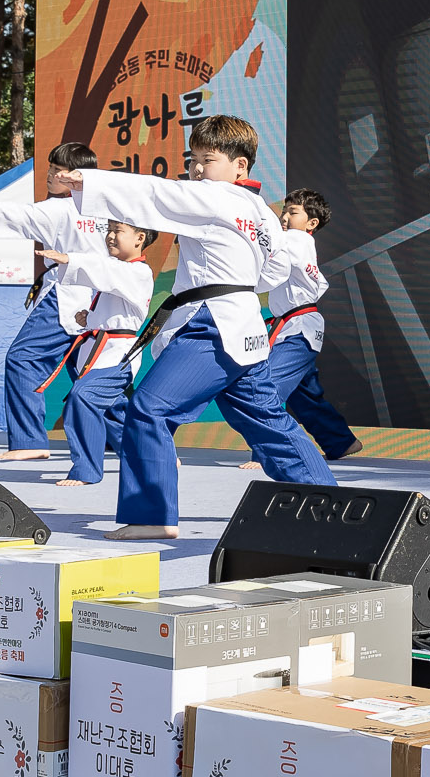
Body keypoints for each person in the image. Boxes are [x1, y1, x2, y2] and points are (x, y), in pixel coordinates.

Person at [66, 114, 335, 538]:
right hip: (243, 323)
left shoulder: (215, 198)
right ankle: (329, 504)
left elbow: (157, 193)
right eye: (194, 159)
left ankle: (151, 517)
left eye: (206, 160)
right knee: (269, 420)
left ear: (239, 166)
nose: (196, 169)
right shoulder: (262, 214)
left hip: (213, 324)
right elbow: (268, 277)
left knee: (150, 409)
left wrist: (93, 183)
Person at [0, 141, 108, 461]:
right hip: (102, 295)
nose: (50, 175)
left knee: (23, 359)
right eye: (50, 168)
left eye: (58, 170)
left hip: (67, 294)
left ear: (77, 176)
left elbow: (15, 215)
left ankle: (29, 441)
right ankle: (134, 439)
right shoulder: (106, 208)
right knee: (88, 368)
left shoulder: (58, 208)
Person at [37, 220, 157, 488]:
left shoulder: (138, 272)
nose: (111, 237)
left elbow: (106, 272)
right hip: (96, 349)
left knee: (84, 397)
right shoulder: (121, 272)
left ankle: (86, 470)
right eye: (109, 231)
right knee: (113, 411)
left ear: (140, 238)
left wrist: (69, 258)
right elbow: (113, 308)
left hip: (118, 354)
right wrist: (89, 319)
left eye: (118, 231)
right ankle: (153, 455)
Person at [263, 187, 361, 462]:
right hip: (297, 325)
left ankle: (270, 451)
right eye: (284, 210)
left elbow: (270, 270)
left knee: (266, 387)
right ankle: (340, 442)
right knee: (302, 394)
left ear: (311, 223)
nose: (284, 216)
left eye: (293, 212)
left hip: (297, 327)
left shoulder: (295, 239)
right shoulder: (301, 244)